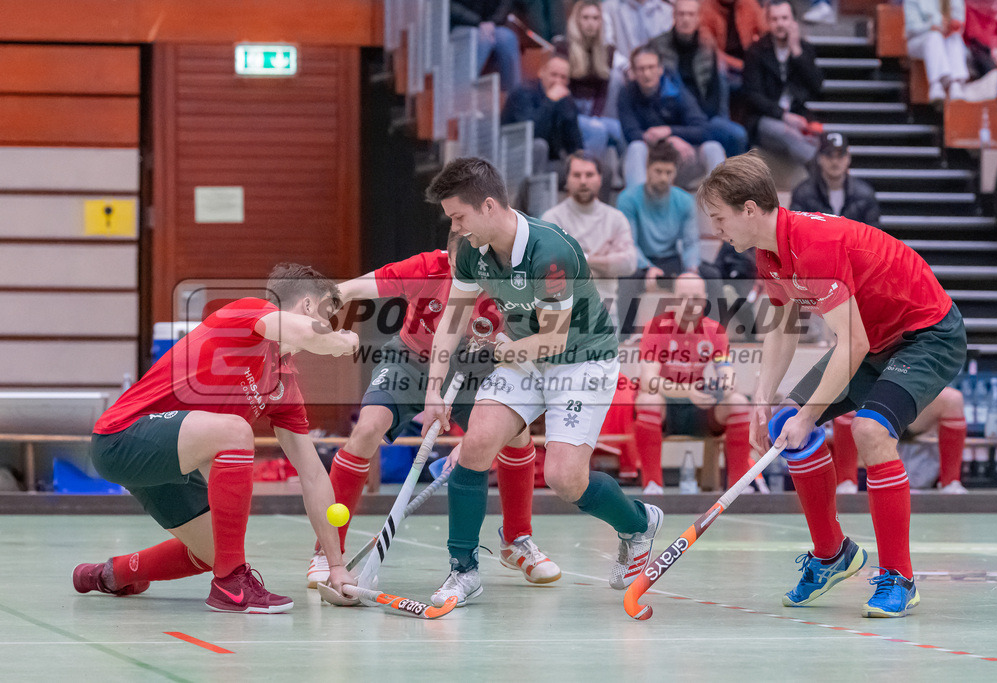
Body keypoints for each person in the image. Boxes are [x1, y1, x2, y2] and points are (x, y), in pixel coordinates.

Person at [698, 152, 966, 618]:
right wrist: (766, 402)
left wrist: (808, 416)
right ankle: (832, 554)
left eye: (720, 219)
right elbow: (783, 326)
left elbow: (853, 342)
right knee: (784, 422)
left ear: (748, 209)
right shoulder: (768, 251)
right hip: (874, 338)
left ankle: (899, 577)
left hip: (926, 336)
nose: (717, 232)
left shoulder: (813, 244)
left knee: (869, 431)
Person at [421, 157, 663, 606]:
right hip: (523, 355)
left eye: (459, 217)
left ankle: (637, 524)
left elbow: (551, 341)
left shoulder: (550, 253)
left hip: (582, 360)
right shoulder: (472, 250)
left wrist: (499, 349)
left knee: (564, 478)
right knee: (475, 446)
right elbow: (453, 318)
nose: (455, 228)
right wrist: (434, 390)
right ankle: (464, 570)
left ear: (489, 206)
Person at [73, 264, 362, 613]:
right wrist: (344, 341)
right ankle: (231, 584)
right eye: (328, 315)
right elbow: (314, 335)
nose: (330, 325)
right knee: (234, 431)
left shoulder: (283, 386)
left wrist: (335, 567)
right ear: (305, 306)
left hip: (171, 462)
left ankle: (112, 574)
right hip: (121, 439)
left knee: (214, 551)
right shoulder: (249, 313)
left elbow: (314, 475)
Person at [307, 233, 561, 588]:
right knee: (367, 430)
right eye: (461, 269)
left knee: (516, 433)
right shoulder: (426, 267)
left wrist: (474, 440)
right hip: (410, 360)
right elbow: (352, 289)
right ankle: (326, 552)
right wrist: (326, 303)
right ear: (448, 257)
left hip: (478, 369)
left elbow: (530, 352)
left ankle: (516, 540)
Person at [634, 273, 753, 494]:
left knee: (737, 402)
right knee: (647, 400)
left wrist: (727, 385)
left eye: (696, 298)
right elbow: (648, 381)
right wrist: (686, 391)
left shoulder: (714, 330)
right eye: (683, 297)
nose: (690, 304)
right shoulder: (656, 327)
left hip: (700, 409)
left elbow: (726, 371)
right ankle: (653, 486)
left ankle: (738, 487)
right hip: (667, 409)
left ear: (705, 300)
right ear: (673, 299)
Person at [619, 47, 745, 188]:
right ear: (633, 72)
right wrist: (668, 139)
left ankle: (720, 201)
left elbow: (703, 129)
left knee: (713, 147)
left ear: (660, 69)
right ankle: (636, 204)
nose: (647, 73)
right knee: (636, 148)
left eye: (651, 67)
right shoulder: (626, 93)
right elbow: (631, 134)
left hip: (683, 155)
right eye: (641, 69)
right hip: (650, 155)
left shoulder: (676, 91)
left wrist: (670, 131)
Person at [541, 152, 637, 327]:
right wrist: (606, 261)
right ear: (567, 180)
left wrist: (583, 258)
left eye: (589, 175)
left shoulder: (615, 219)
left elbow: (629, 264)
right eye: (577, 175)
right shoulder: (552, 219)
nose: (583, 181)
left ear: (600, 179)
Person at [616, 141, 701, 337]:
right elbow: (629, 243)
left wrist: (691, 271)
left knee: (710, 276)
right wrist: (647, 266)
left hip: (671, 259)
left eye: (669, 172)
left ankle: (709, 338)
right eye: (658, 171)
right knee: (628, 277)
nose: (664, 177)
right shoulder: (628, 199)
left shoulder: (685, 201)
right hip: (640, 261)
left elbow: (690, 243)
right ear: (647, 169)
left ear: (675, 173)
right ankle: (623, 339)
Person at [649, 0, 749, 157]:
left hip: (704, 118)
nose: (686, 19)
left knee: (738, 134)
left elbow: (716, 85)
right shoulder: (657, 46)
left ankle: (736, 179)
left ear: (698, 18)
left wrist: (710, 117)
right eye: (681, 14)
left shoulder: (707, 44)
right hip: (672, 118)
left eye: (690, 14)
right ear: (673, 16)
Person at [832, 387, 968, 494]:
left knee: (953, 399)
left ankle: (950, 483)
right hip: (875, 401)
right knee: (848, 395)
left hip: (913, 402)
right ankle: (846, 481)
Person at [742, 0, 824, 166]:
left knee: (822, 139)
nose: (780, 24)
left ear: (793, 21)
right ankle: (825, 174)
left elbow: (817, 86)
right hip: (764, 120)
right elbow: (752, 95)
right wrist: (783, 116)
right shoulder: (756, 51)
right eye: (775, 19)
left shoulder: (804, 49)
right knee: (790, 134)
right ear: (768, 22)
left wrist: (797, 52)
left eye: (785, 18)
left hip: (799, 117)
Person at [559, 0, 628, 155]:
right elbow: (563, 88)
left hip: (595, 111)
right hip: (570, 111)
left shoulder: (607, 51)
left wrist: (595, 116)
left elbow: (602, 91)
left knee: (620, 130)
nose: (591, 23)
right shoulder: (563, 48)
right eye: (586, 18)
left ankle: (621, 175)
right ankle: (589, 171)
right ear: (577, 20)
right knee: (598, 131)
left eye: (595, 18)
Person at [502, 53, 584, 174]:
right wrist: (550, 101)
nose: (558, 81)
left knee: (593, 170)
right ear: (541, 72)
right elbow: (531, 133)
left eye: (563, 77)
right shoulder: (523, 93)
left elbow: (575, 143)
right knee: (539, 146)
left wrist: (579, 160)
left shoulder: (565, 100)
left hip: (549, 162)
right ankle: (535, 191)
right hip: (516, 160)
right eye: (554, 75)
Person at [789, 132, 882, 227]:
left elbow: (874, 236)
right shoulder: (803, 193)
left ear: (848, 158)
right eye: (829, 155)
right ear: (819, 158)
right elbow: (795, 232)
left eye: (840, 156)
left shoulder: (865, 194)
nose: (835, 161)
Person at [904, 0, 970, 102]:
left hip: (945, 38)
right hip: (919, 40)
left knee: (955, 38)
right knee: (934, 37)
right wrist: (932, 26)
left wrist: (952, 25)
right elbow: (912, 28)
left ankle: (955, 83)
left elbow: (959, 19)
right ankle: (936, 84)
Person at [451, 0, 522, 91]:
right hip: (459, 25)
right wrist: (478, 23)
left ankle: (515, 97)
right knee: (483, 39)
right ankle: (461, 92)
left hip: (490, 25)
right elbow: (450, 6)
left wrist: (491, 23)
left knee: (508, 37)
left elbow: (505, 4)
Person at [700, 0, 767, 89]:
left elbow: (765, 32)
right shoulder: (706, 9)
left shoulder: (749, 4)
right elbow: (711, 50)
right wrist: (742, 65)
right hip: (724, 67)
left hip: (750, 60)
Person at [602, 0, 674, 66]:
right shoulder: (609, 8)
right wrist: (626, 67)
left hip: (660, 71)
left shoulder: (666, 9)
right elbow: (608, 43)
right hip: (623, 71)